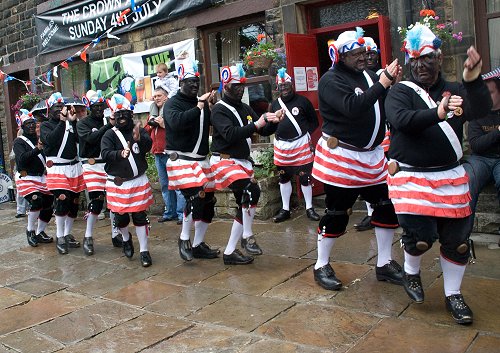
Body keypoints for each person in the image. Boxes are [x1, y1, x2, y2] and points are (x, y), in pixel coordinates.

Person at [385, 24, 491, 324]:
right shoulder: (400, 92)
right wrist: (439, 113)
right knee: (420, 239)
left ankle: (453, 294)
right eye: (415, 60)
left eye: (427, 59)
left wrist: (472, 79)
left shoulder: (456, 89)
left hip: (451, 177)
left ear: (439, 58)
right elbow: (402, 120)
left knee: (457, 241)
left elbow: (481, 108)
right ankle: (411, 272)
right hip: (411, 178)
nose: (420, 65)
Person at [311, 27, 402, 290]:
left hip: (372, 158)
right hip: (343, 159)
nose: (362, 57)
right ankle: (321, 264)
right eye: (355, 54)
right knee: (338, 212)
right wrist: (382, 83)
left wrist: (390, 84)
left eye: (364, 52)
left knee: (386, 206)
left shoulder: (369, 75)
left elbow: (382, 104)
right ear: (340, 56)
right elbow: (352, 108)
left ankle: (384, 263)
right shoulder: (330, 81)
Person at [210, 63, 281, 265]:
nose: (240, 89)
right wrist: (257, 124)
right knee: (251, 192)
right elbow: (231, 134)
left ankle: (230, 251)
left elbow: (260, 130)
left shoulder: (244, 107)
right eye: (236, 86)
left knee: (245, 200)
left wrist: (274, 121)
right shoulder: (219, 110)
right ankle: (247, 236)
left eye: (242, 85)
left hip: (241, 162)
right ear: (225, 86)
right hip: (224, 160)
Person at [164, 59, 220, 262]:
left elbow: (212, 125)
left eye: (197, 81)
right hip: (181, 161)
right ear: (181, 83)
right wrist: (199, 106)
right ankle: (184, 239)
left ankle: (198, 244)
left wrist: (211, 108)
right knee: (194, 197)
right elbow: (176, 123)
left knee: (208, 202)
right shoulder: (172, 103)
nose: (195, 85)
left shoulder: (202, 104)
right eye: (190, 82)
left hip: (201, 161)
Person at [101, 94, 154, 267]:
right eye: (118, 115)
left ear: (131, 114)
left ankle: (144, 251)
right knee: (121, 219)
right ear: (113, 117)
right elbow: (105, 153)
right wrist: (119, 154)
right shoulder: (109, 134)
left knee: (140, 217)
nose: (122, 117)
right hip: (118, 184)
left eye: (125, 114)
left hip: (138, 181)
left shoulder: (138, 130)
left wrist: (140, 138)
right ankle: (125, 238)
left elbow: (148, 146)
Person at [268, 68, 320, 223]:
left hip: (301, 146)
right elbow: (270, 125)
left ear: (292, 85)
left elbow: (314, 122)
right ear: (278, 88)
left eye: (286, 85)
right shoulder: (274, 104)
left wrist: (304, 136)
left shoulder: (303, 101)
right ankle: (285, 209)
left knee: (305, 178)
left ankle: (309, 208)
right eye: (281, 86)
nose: (284, 88)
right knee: (284, 178)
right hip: (282, 148)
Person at [77, 90, 123, 255]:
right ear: (90, 106)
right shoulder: (82, 123)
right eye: (95, 106)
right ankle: (88, 236)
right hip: (91, 165)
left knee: (113, 201)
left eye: (100, 106)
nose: (98, 109)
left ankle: (116, 234)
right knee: (96, 201)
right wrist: (109, 125)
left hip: (108, 164)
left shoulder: (108, 122)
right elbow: (91, 138)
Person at [40, 92, 86, 255]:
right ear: (50, 110)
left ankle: (67, 233)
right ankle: (60, 236)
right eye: (57, 107)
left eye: (62, 106)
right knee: (62, 200)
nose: (60, 109)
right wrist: (62, 122)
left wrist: (74, 123)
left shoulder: (70, 123)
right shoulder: (46, 125)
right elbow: (51, 141)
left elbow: (80, 141)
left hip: (74, 167)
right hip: (58, 169)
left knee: (73, 203)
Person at [462, 67, 500, 248]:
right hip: (480, 158)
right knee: (468, 180)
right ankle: (462, 237)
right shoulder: (477, 113)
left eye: (491, 93)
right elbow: (476, 144)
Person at [13, 109, 54, 247]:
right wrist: (37, 149)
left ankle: (40, 232)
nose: (31, 126)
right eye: (28, 124)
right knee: (36, 201)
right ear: (22, 127)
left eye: (33, 123)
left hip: (41, 177)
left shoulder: (40, 138)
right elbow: (21, 160)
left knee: (48, 204)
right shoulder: (19, 142)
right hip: (26, 178)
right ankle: (30, 231)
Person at [145, 87, 185, 224]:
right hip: (158, 154)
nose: (156, 98)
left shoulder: (171, 111)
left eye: (159, 95)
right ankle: (170, 212)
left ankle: (181, 214)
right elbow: (146, 130)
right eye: (155, 96)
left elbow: (178, 130)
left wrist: (163, 125)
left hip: (171, 154)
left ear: (166, 97)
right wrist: (151, 123)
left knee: (177, 185)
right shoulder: (152, 112)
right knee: (164, 185)